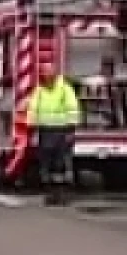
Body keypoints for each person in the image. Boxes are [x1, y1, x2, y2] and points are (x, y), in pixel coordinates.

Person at [26, 58, 82, 205]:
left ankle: (61, 196)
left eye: (49, 71)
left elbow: (73, 107)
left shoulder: (64, 88)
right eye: (44, 72)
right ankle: (50, 195)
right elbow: (32, 109)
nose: (47, 74)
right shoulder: (39, 90)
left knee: (60, 165)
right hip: (45, 132)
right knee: (46, 165)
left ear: (55, 73)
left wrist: (71, 129)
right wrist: (32, 130)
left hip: (62, 131)